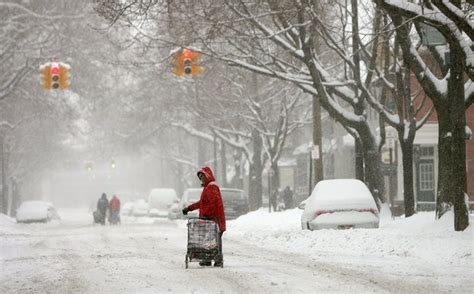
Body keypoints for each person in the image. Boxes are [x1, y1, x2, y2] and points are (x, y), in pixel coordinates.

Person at [182, 166, 226, 267]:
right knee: (210, 238)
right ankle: (208, 258)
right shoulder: (208, 187)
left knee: (215, 238)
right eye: (200, 177)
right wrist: (188, 208)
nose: (201, 178)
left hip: (214, 220)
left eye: (202, 176)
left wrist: (206, 215)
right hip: (211, 219)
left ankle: (217, 259)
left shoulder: (212, 187)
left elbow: (212, 204)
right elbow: (202, 203)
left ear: (207, 175)